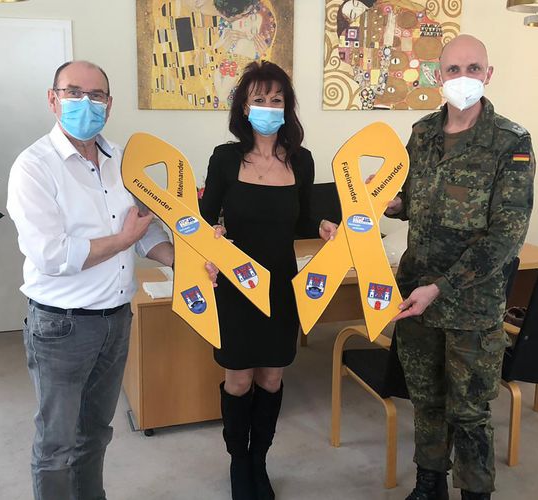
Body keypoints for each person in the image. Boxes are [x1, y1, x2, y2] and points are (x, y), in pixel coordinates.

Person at [6, 60, 213, 500]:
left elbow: (146, 232)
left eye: (97, 95)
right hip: (61, 326)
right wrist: (123, 239)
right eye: (74, 92)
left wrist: (185, 262)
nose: (86, 103)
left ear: (109, 104)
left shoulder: (123, 160)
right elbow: (51, 255)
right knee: (57, 443)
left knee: (97, 432)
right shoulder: (34, 166)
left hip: (116, 320)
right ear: (53, 98)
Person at [380, 35, 536, 500]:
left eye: (473, 68)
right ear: (437, 76)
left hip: (471, 305)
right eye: (453, 69)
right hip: (415, 299)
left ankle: (475, 494)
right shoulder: (422, 133)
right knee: (426, 401)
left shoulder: (511, 142)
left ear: (488, 74)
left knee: (469, 414)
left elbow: (505, 238)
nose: (462, 77)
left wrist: (441, 287)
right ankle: (429, 487)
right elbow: (413, 201)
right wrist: (383, 204)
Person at [200, 61, 338, 500]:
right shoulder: (225, 158)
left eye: (276, 100)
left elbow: (304, 217)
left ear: (287, 107)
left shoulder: (301, 159)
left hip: (281, 286)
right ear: (244, 105)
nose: (267, 107)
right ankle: (238, 464)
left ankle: (259, 460)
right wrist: (211, 238)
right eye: (259, 99)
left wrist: (324, 227)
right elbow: (203, 220)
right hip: (238, 285)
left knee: (272, 380)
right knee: (239, 380)